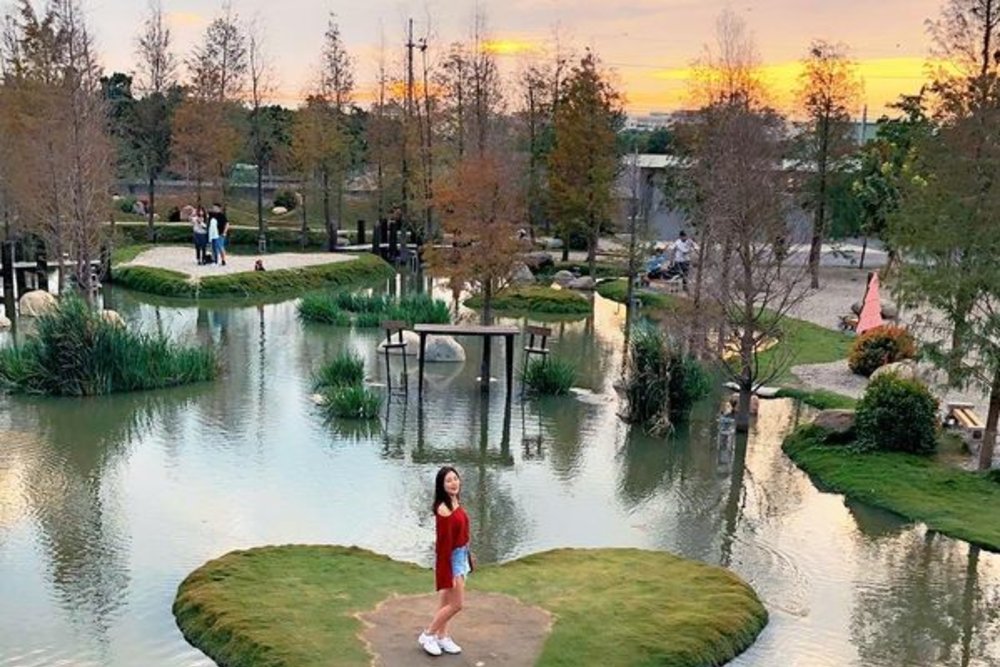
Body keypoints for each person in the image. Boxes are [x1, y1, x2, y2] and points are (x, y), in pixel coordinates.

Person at [418, 466, 472, 657]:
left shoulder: (455, 500)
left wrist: (467, 553)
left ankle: (442, 636)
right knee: (457, 604)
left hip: (461, 554)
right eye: (448, 480)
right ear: (441, 485)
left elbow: (462, 530)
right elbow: (443, 545)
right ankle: (428, 634)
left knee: (446, 601)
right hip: (452, 559)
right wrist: (446, 571)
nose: (453, 483)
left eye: (455, 479)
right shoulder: (443, 509)